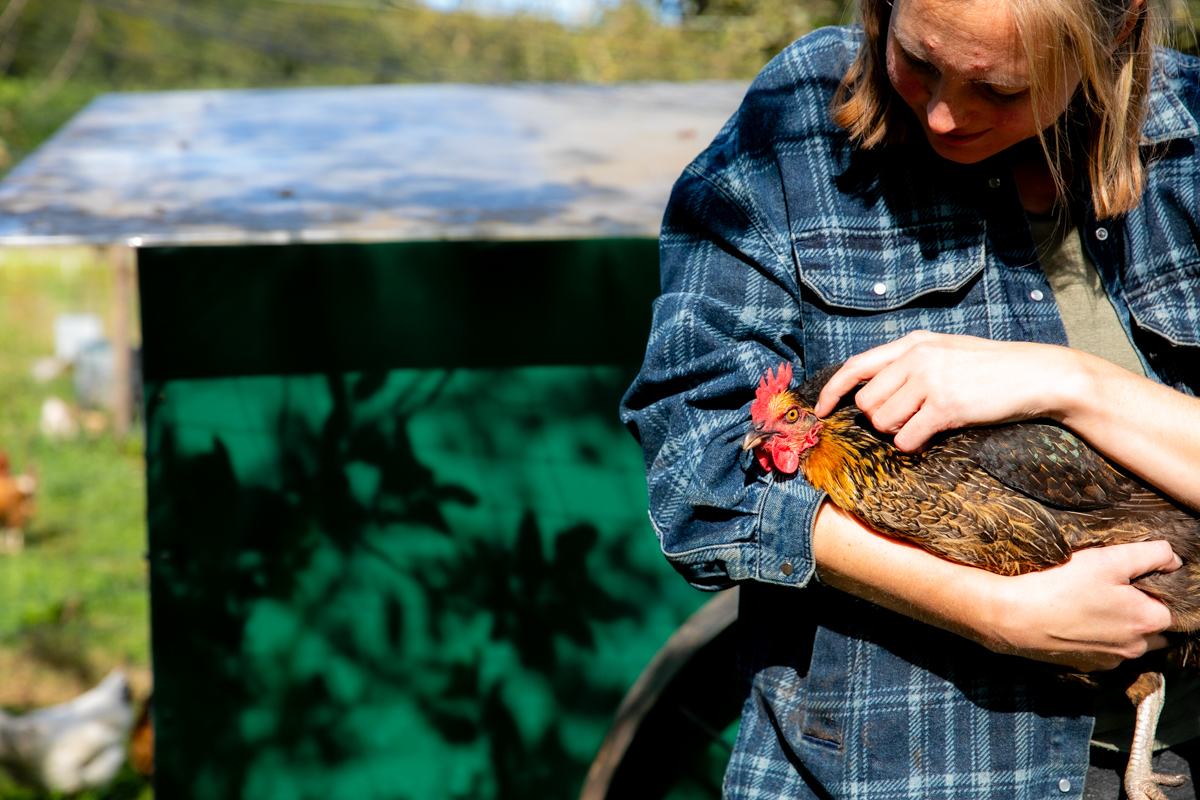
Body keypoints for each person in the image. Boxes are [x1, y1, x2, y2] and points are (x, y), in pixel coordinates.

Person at [619, 0, 1200, 796]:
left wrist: (1076, 384)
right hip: (914, 774)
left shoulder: (1192, 145)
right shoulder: (797, 129)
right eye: (920, 60)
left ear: (1121, 31)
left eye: (1003, 89)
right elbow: (696, 466)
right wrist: (989, 609)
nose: (944, 114)